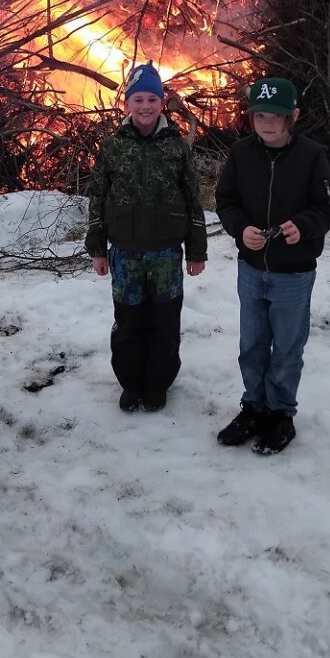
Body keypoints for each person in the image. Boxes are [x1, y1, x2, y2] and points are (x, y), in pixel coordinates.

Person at [215, 76, 330, 454]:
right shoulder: (241, 153)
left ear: (294, 116)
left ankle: (281, 414)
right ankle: (253, 407)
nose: (267, 123)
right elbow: (226, 200)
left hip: (293, 274)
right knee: (252, 344)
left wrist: (303, 227)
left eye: (277, 116)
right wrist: (240, 229)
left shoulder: (312, 155)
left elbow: (327, 207)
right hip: (251, 269)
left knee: (286, 346)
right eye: (260, 115)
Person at [85, 62, 207, 412]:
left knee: (165, 323)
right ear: (127, 104)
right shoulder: (112, 147)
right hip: (124, 253)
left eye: (152, 99)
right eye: (137, 99)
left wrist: (195, 251)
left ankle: (157, 384)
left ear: (162, 102)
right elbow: (97, 198)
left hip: (166, 253)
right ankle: (131, 383)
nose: (145, 106)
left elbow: (192, 199)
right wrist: (98, 248)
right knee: (128, 323)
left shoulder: (176, 146)